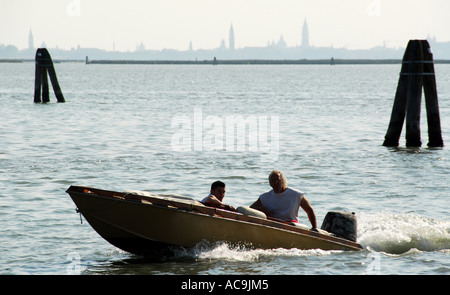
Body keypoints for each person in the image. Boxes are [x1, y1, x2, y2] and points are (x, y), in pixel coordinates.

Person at [250, 170, 317, 230]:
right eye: (272, 181)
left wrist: (314, 228)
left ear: (282, 180)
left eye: (277, 180)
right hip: (272, 225)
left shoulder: (296, 195)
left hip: (291, 226)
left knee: (292, 225)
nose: (275, 182)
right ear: (270, 183)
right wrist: (262, 209)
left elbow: (309, 210)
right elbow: (251, 208)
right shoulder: (264, 197)